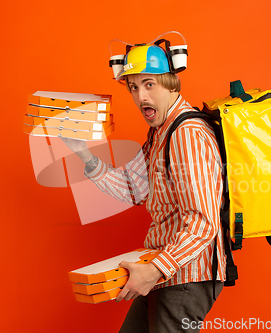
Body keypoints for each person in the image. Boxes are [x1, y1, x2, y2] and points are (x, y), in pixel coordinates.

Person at [62, 43, 227, 332]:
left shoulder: (187, 134)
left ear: (171, 84)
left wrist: (155, 269)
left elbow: (204, 222)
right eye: (134, 87)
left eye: (149, 84)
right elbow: (131, 188)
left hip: (185, 275)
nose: (141, 96)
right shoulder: (160, 132)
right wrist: (82, 152)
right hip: (163, 269)